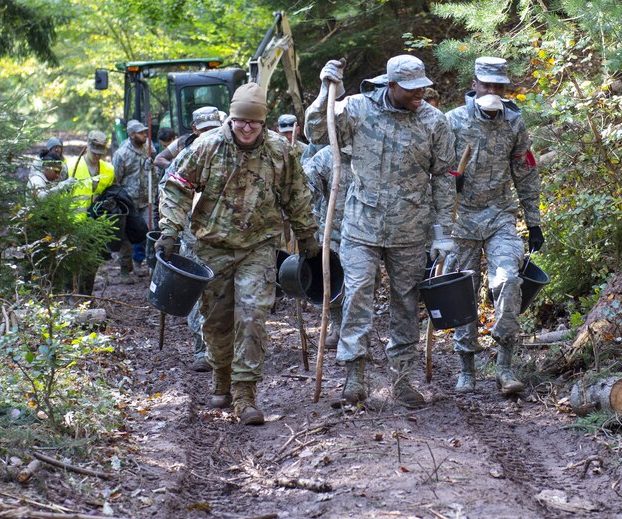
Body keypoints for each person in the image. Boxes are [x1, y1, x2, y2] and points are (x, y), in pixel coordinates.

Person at [157, 83, 317, 425]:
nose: (246, 128)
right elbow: (176, 187)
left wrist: (308, 237)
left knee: (252, 316)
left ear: (263, 123)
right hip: (210, 247)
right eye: (240, 121)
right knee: (215, 321)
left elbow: (297, 196)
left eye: (254, 123)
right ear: (230, 119)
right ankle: (221, 375)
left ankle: (246, 393)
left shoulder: (279, 151)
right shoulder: (207, 146)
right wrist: (170, 230)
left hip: (258, 247)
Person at [305, 55, 456, 408]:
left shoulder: (434, 121)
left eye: (423, 86)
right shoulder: (357, 109)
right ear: (390, 85)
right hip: (361, 227)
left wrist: (442, 231)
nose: (420, 93)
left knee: (406, 303)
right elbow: (316, 130)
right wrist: (327, 93)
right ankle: (354, 375)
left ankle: (403, 378)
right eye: (411, 88)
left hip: (411, 229)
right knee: (356, 293)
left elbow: (444, 177)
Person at [444, 56, 544, 395]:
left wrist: (534, 223)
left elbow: (526, 172)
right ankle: (466, 367)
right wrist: (449, 183)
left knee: (509, 281)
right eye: (487, 85)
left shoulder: (514, 124)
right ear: (474, 84)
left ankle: (504, 364)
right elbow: (435, 169)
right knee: (463, 294)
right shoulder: (452, 122)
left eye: (498, 86)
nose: (492, 91)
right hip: (462, 221)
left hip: (501, 215)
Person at [154, 106, 224, 374]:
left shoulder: (230, 152)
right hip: (194, 236)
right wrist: (172, 230)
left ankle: (226, 345)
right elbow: (168, 192)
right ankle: (202, 347)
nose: (209, 134)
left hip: (227, 237)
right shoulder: (184, 157)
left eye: (213, 129)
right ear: (194, 130)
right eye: (204, 130)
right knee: (199, 290)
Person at [302, 145, 353, 349]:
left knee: (361, 284)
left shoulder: (376, 149)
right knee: (332, 280)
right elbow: (305, 191)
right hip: (333, 230)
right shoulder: (326, 157)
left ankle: (354, 331)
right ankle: (338, 326)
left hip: (368, 231)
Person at [66, 130, 116, 295]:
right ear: (88, 146)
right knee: (71, 261)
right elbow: (59, 194)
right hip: (73, 223)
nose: (97, 156)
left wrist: (109, 204)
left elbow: (113, 192)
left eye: (100, 153)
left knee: (91, 263)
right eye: (94, 152)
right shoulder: (71, 166)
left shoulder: (109, 170)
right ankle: (68, 294)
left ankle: (85, 296)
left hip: (96, 224)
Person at [112, 119, 152, 282]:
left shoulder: (149, 148)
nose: (145, 135)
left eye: (145, 132)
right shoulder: (121, 154)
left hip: (145, 200)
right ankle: (123, 270)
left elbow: (152, 173)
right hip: (128, 203)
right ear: (131, 135)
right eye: (141, 132)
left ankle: (138, 263)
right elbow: (116, 179)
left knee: (145, 232)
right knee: (126, 237)